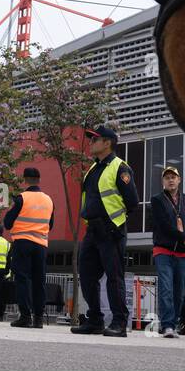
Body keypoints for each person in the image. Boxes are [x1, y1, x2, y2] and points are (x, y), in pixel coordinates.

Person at [72, 125, 137, 337]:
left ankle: (119, 323)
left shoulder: (120, 167)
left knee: (114, 277)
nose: (90, 143)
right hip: (92, 230)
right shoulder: (93, 169)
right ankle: (95, 320)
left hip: (111, 231)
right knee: (87, 275)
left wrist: (115, 224)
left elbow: (132, 202)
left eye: (94, 140)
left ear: (107, 142)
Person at [150, 166, 185, 339]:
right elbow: (163, 225)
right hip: (163, 250)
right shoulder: (157, 200)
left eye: (173, 177)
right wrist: (184, 238)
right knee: (166, 288)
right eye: (167, 178)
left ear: (179, 180)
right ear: (162, 182)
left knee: (179, 292)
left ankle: (174, 321)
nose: (170, 180)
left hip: (183, 254)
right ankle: (167, 326)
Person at [3, 166, 52, 328]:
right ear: (39, 180)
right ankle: (38, 318)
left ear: (25, 180)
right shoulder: (48, 200)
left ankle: (25, 316)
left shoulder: (21, 198)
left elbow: (7, 223)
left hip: (23, 243)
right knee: (39, 281)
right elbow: (50, 225)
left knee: (23, 280)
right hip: (41, 246)